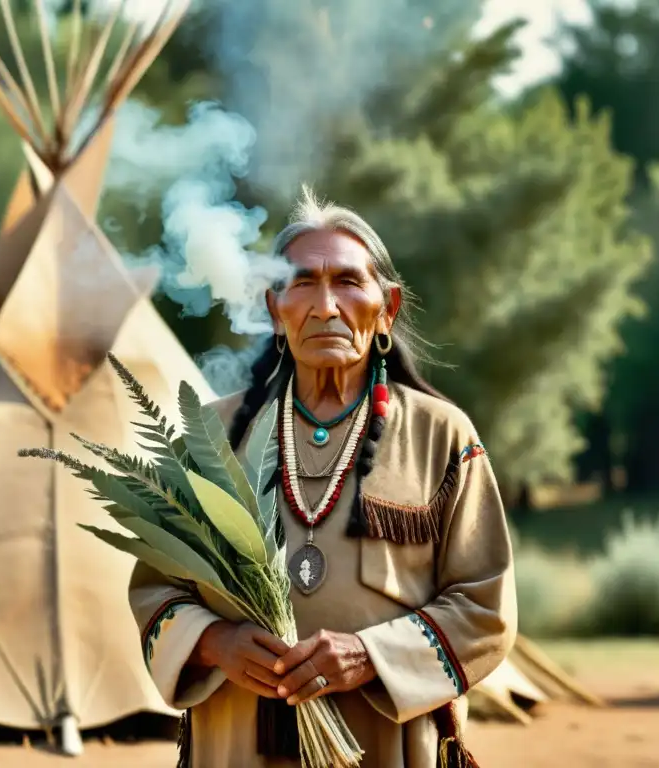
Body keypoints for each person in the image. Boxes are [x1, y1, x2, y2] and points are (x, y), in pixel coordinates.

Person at [129, 186, 517, 767]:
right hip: (235, 738)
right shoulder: (213, 436)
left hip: (383, 740)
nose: (326, 305)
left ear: (387, 308)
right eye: (303, 282)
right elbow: (154, 588)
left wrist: (370, 654)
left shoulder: (442, 436)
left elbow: (485, 606)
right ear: (274, 309)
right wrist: (219, 644)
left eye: (348, 282)